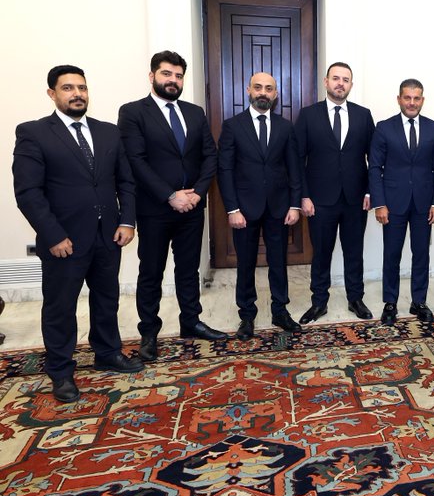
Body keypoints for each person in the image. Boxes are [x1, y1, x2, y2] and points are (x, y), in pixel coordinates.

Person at [14, 65, 144, 403]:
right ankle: (60, 370)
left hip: (108, 236)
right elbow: (28, 193)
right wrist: (53, 235)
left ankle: (107, 353)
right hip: (64, 241)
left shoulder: (108, 132)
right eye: (68, 88)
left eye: (82, 88)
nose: (77, 94)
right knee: (60, 307)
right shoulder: (33, 133)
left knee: (107, 299)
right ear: (52, 94)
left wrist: (127, 221)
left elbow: (126, 182)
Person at [118, 50, 225, 362]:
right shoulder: (133, 112)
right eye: (167, 74)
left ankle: (191, 321)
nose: (173, 80)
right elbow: (135, 161)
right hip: (154, 209)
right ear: (152, 76)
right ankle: (149, 332)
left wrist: (197, 194)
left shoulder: (195, 113)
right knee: (151, 272)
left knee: (188, 269)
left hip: (192, 208)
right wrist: (170, 195)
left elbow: (210, 155)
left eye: (178, 76)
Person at [217, 72, 302, 340]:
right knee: (245, 262)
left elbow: (294, 168)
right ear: (248, 91)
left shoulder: (285, 127)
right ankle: (246, 315)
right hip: (244, 209)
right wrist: (232, 209)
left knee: (279, 261)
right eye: (258, 87)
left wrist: (295, 205)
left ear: (275, 94)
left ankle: (280, 311)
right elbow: (225, 170)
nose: (263, 92)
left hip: (279, 207)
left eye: (268, 88)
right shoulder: (232, 126)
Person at [295, 62, 375, 324]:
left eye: (346, 80)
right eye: (336, 78)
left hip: (355, 199)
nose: (340, 83)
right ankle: (319, 302)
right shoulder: (308, 115)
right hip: (319, 200)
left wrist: (370, 191)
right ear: (326, 81)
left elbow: (374, 158)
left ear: (351, 85)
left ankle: (356, 299)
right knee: (321, 253)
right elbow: (297, 159)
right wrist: (304, 196)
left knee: (354, 251)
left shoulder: (363, 115)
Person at [369, 79, 434, 325]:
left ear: (422, 100)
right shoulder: (384, 128)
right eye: (407, 98)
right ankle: (390, 302)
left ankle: (419, 302)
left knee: (421, 254)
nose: (412, 103)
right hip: (393, 204)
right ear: (399, 99)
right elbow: (375, 168)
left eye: (416, 98)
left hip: (424, 204)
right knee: (391, 254)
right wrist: (379, 204)